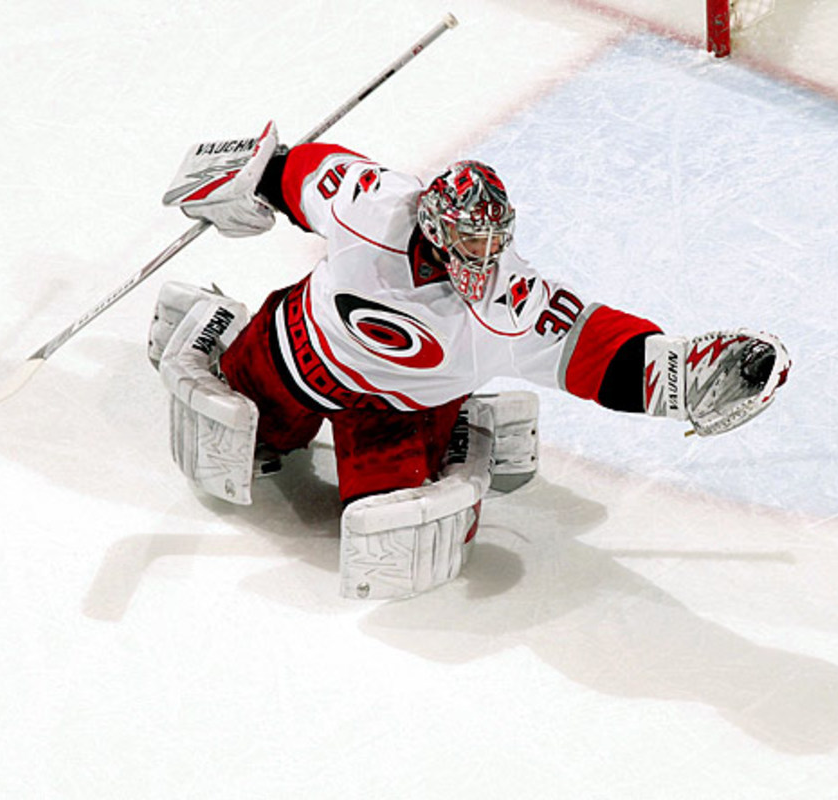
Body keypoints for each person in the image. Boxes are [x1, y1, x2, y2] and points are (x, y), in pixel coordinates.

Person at [147, 122, 790, 599]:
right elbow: (306, 176)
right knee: (251, 426)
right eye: (468, 239)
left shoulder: (510, 301)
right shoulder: (374, 205)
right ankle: (223, 334)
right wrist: (255, 177)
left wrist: (680, 373)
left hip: (393, 414)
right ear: (433, 223)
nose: (482, 256)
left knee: (388, 525)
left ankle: (459, 431)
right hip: (290, 349)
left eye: (491, 241)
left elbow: (589, 346)